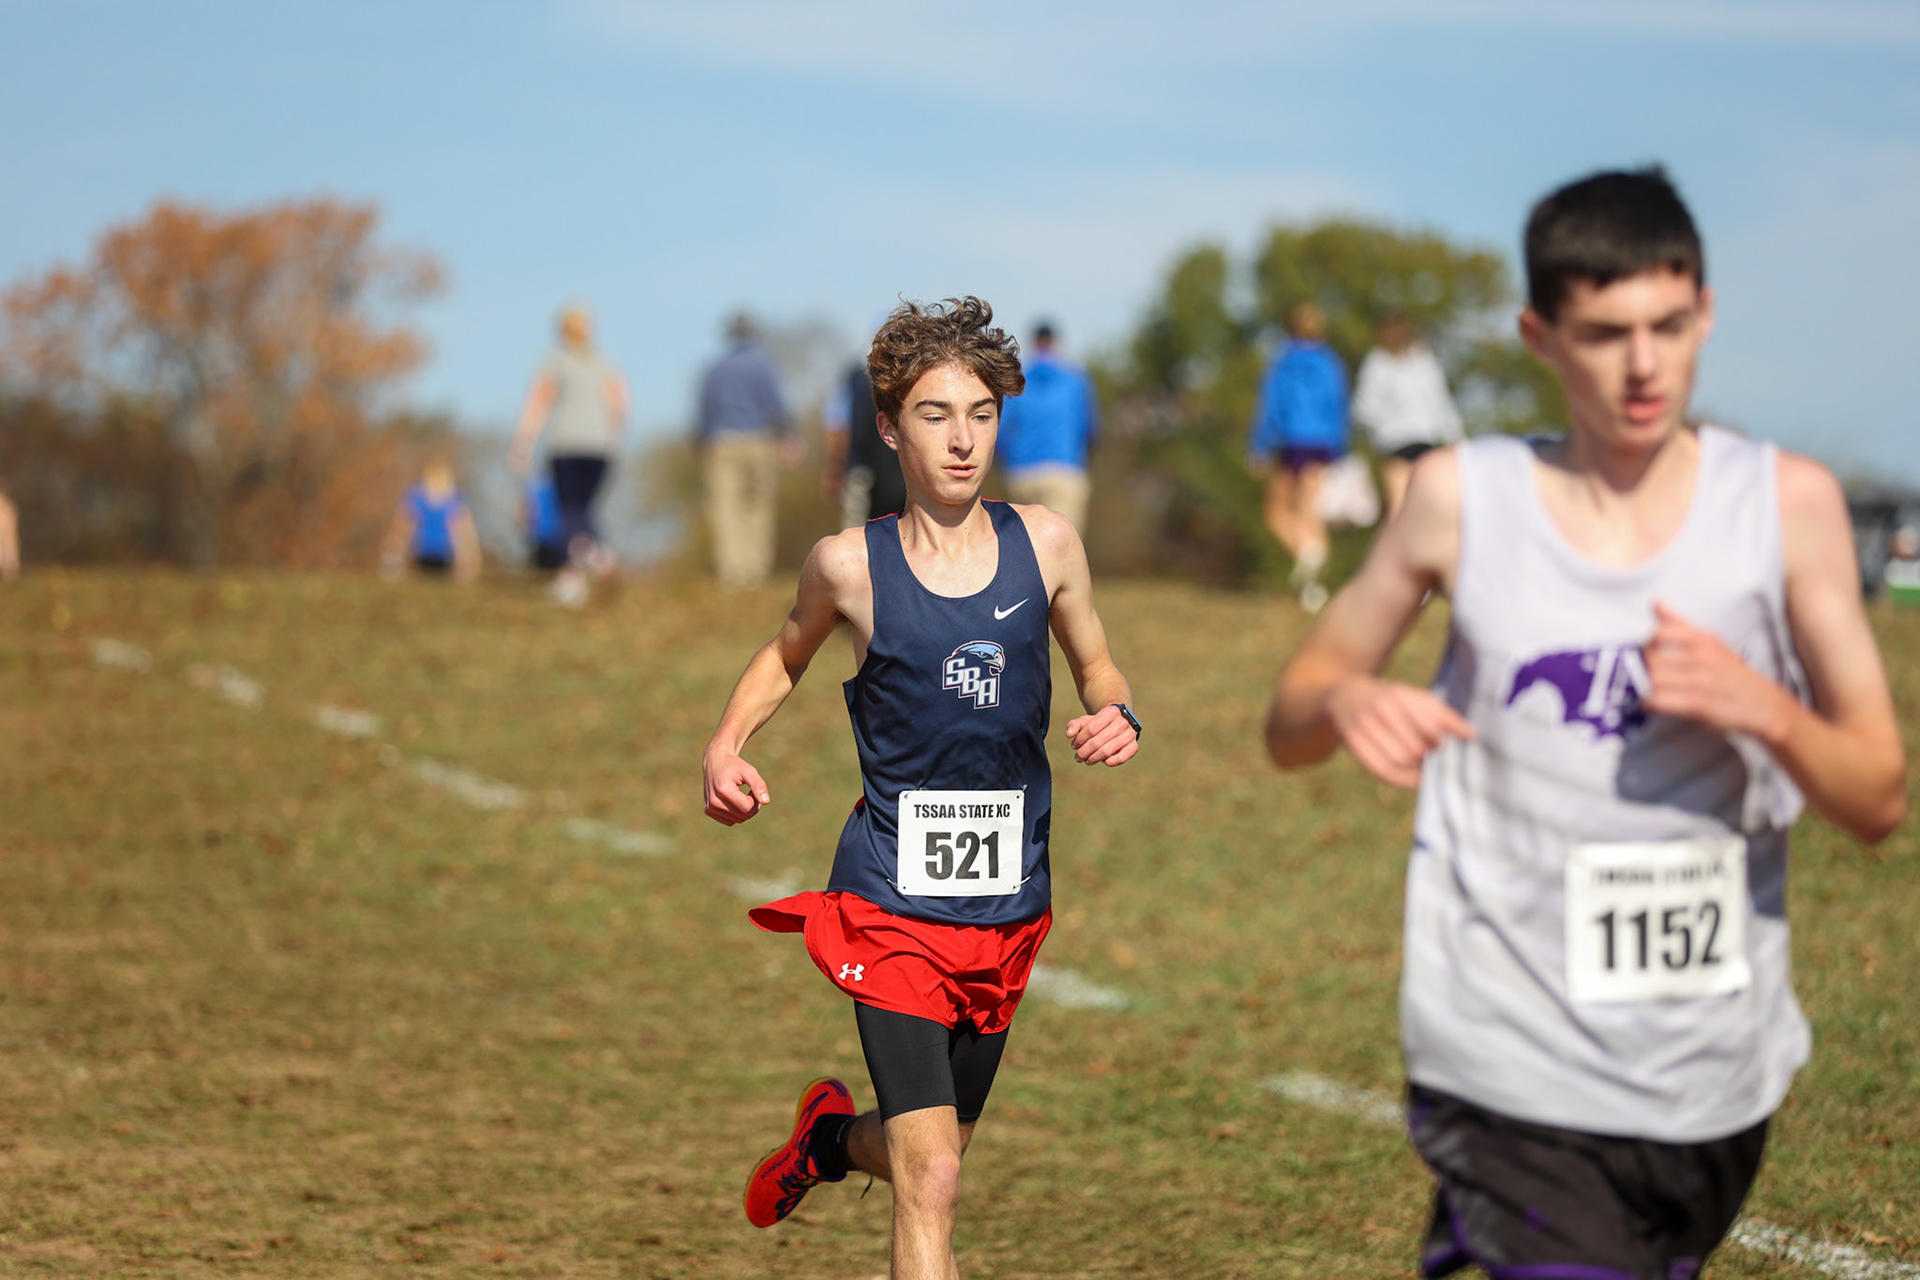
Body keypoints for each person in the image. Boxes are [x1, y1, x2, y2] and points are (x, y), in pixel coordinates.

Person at [1262, 167, 1906, 1280]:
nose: (1644, 364)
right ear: (1542, 338)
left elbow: (1878, 796)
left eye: (1670, 325)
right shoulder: (1464, 497)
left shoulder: (1785, 506)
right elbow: (1292, 715)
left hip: (1712, 1076)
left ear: (1706, 312)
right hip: (1505, 1058)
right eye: (1607, 334)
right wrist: (1347, 697)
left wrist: (1764, 709)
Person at [702, 297, 1141, 1279]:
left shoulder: (1047, 544)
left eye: (981, 414)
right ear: (891, 428)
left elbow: (1099, 667)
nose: (962, 439)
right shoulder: (848, 566)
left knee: (935, 1153)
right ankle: (844, 1147)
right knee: (932, 1173)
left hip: (1006, 907)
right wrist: (725, 744)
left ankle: (825, 1143)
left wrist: (1119, 711)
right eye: (936, 415)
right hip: (891, 904)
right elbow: (784, 655)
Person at [509, 303, 630, 605]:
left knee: (567, 510)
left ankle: (577, 574)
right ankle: (595, 558)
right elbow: (620, 405)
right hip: (601, 448)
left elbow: (539, 400)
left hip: (566, 445)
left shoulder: (555, 360)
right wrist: (614, 439)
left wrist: (523, 441)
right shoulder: (604, 362)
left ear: (562, 331)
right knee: (583, 511)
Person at [1248, 300, 1349, 612]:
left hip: (1292, 440)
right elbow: (1339, 406)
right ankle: (1312, 566)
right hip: (1323, 443)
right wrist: (1340, 448)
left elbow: (1271, 407)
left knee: (1276, 510)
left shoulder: (1283, 363)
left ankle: (1309, 567)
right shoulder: (1331, 363)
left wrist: (1260, 445)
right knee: (1310, 511)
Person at [697, 313, 798, 588]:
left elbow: (704, 411)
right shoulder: (763, 366)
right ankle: (755, 571)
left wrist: (702, 443)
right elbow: (777, 406)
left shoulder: (715, 369)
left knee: (726, 506)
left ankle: (732, 572)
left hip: (722, 442)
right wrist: (789, 437)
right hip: (758, 441)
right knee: (759, 505)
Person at [1350, 312, 1464, 516]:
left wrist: (1378, 430)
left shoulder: (1377, 362)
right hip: (1425, 440)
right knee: (1424, 508)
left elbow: (1363, 408)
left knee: (1398, 509)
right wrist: (1456, 439)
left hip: (1394, 442)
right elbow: (1440, 402)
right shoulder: (1424, 360)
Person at [996, 321, 1099, 534]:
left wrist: (1011, 462)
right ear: (1054, 342)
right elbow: (1090, 429)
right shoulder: (1074, 381)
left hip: (1022, 474)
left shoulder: (1018, 381)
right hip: (1064, 471)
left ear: (1034, 342)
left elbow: (1000, 430)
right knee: (1065, 543)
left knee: (1025, 544)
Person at [822, 354, 906, 528]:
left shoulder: (856, 377)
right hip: (887, 472)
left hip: (864, 470)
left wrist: (835, 465)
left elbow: (838, 425)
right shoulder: (913, 373)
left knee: (858, 533)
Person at [381, 457, 481, 582]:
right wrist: (395, 550)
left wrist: (469, 556)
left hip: (445, 553)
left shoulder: (455, 499)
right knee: (425, 583)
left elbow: (464, 529)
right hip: (421, 551)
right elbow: (403, 524)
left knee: (438, 584)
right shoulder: (417, 496)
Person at [0, 485, 18, 581]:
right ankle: (9, 570)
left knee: (8, 544)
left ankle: (9, 570)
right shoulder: (7, 505)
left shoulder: (6, 505)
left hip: (5, 515)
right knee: (8, 543)